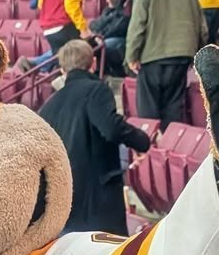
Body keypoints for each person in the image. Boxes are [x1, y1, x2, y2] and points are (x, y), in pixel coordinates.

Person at [39, 40, 151, 234]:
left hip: (63, 202)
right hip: (97, 200)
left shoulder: (49, 105)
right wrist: (141, 140)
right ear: (93, 63)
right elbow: (111, 128)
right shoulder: (96, 90)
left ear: (62, 69)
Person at [126, 0, 207, 122]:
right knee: (174, 106)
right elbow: (202, 29)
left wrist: (132, 56)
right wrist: (196, 53)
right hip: (181, 57)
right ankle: (171, 142)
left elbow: (137, 28)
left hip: (152, 57)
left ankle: (152, 145)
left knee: (149, 109)